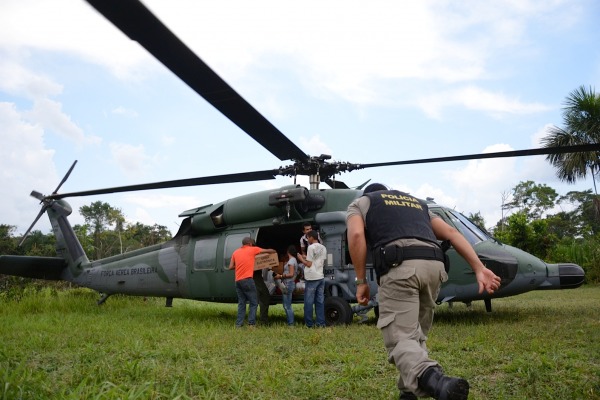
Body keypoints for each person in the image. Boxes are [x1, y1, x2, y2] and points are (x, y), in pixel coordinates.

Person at [346, 183, 501, 400]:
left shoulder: (362, 203)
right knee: (414, 336)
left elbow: (355, 236)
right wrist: (478, 267)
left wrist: (361, 280)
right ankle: (408, 394)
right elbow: (451, 233)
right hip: (434, 266)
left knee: (400, 337)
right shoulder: (418, 204)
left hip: (400, 266)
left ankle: (437, 381)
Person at [228, 237, 276, 328]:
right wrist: (273, 251)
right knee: (254, 303)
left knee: (241, 303)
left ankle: (239, 324)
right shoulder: (253, 250)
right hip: (248, 280)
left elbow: (230, 267)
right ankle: (251, 324)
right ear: (250, 244)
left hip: (238, 281)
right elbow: (270, 251)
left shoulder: (235, 252)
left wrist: (241, 264)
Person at [296, 230, 327, 328]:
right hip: (320, 276)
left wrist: (301, 258)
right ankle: (321, 323)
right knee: (320, 301)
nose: (307, 240)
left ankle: (309, 324)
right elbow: (318, 260)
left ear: (311, 237)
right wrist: (307, 258)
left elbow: (309, 264)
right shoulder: (323, 247)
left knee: (308, 302)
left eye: (308, 238)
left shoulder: (310, 247)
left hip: (311, 277)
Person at [274, 245, 298, 326]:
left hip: (288, 283)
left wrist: (280, 276)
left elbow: (291, 274)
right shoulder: (294, 260)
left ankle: (291, 323)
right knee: (287, 305)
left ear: (288, 252)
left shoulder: (291, 261)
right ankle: (290, 322)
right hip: (290, 283)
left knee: (287, 305)